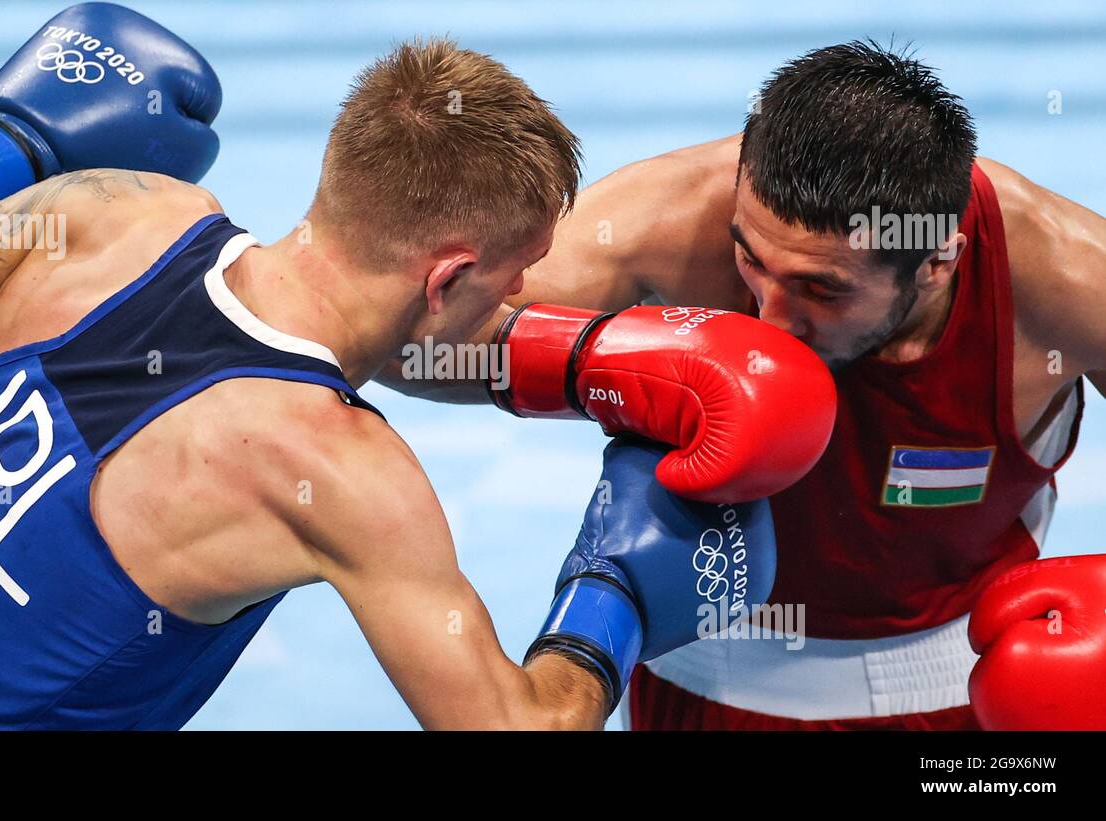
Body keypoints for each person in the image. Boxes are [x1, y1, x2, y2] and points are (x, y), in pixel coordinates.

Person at [0, 6, 818, 729]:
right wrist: (613, 598)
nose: (521, 299)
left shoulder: (114, 216)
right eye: (517, 273)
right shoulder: (337, 472)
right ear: (451, 274)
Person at [383, 40, 1106, 730]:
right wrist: (601, 357)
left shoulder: (1063, 280)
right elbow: (404, 339)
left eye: (821, 288)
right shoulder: (664, 225)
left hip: (960, 682)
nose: (771, 316)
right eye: (751, 262)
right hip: (703, 682)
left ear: (937, 263)